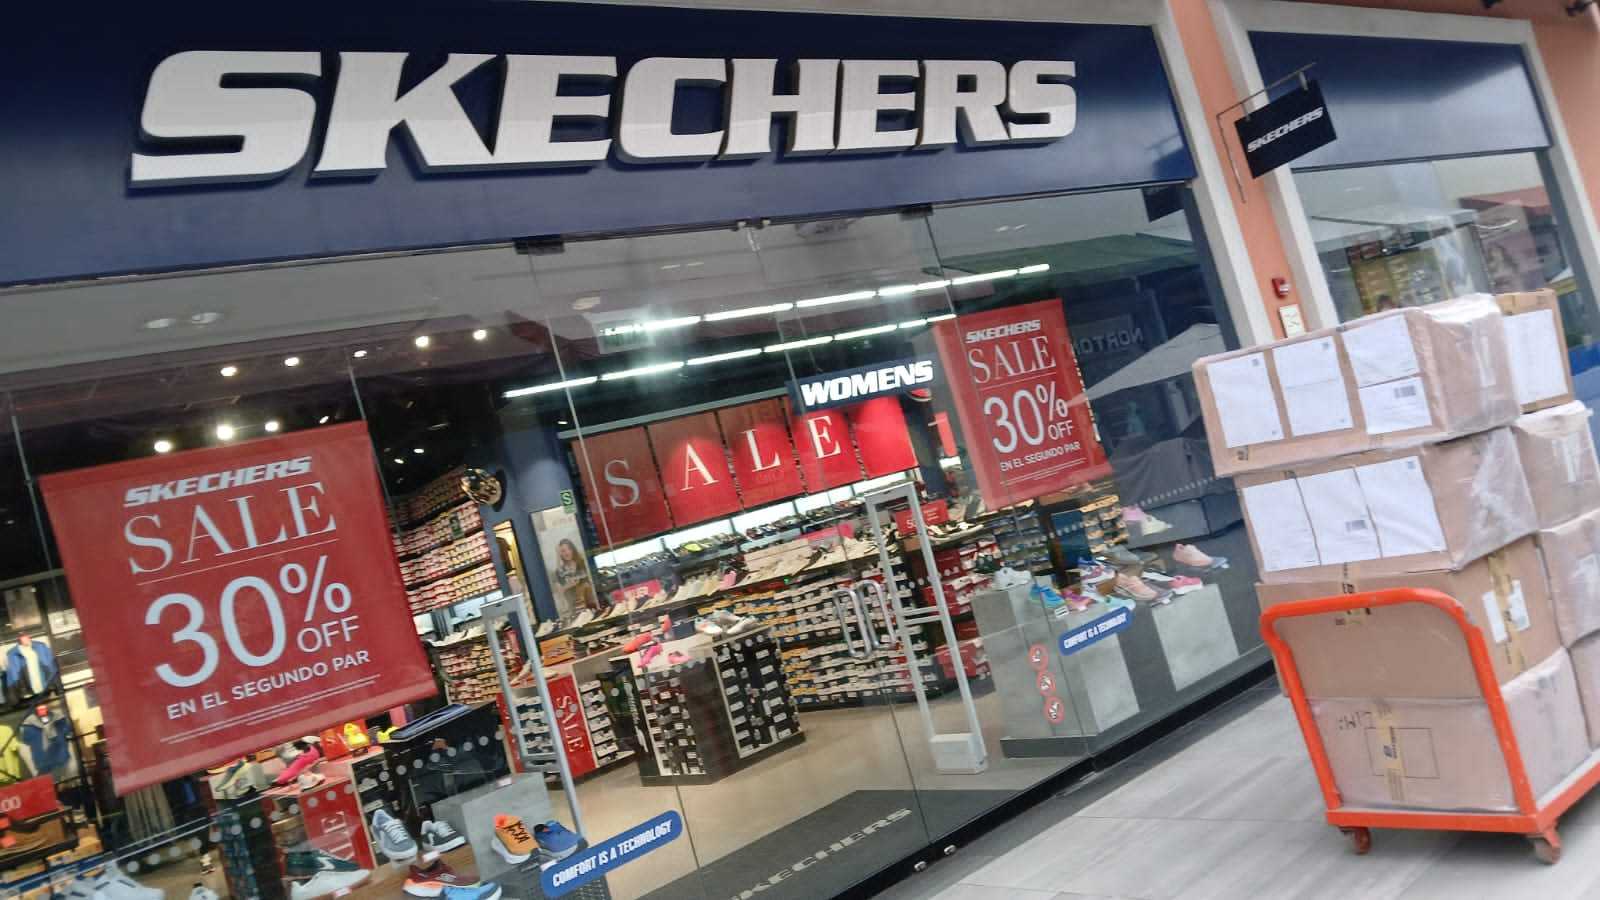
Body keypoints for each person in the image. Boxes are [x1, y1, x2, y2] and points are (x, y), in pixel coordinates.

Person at [552, 539, 598, 612]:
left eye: (569, 549)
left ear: (573, 549)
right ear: (560, 554)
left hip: (592, 604)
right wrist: (567, 586)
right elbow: (558, 593)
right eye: (563, 551)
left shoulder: (582, 563)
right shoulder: (558, 572)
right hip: (575, 608)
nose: (567, 553)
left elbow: (593, 580)